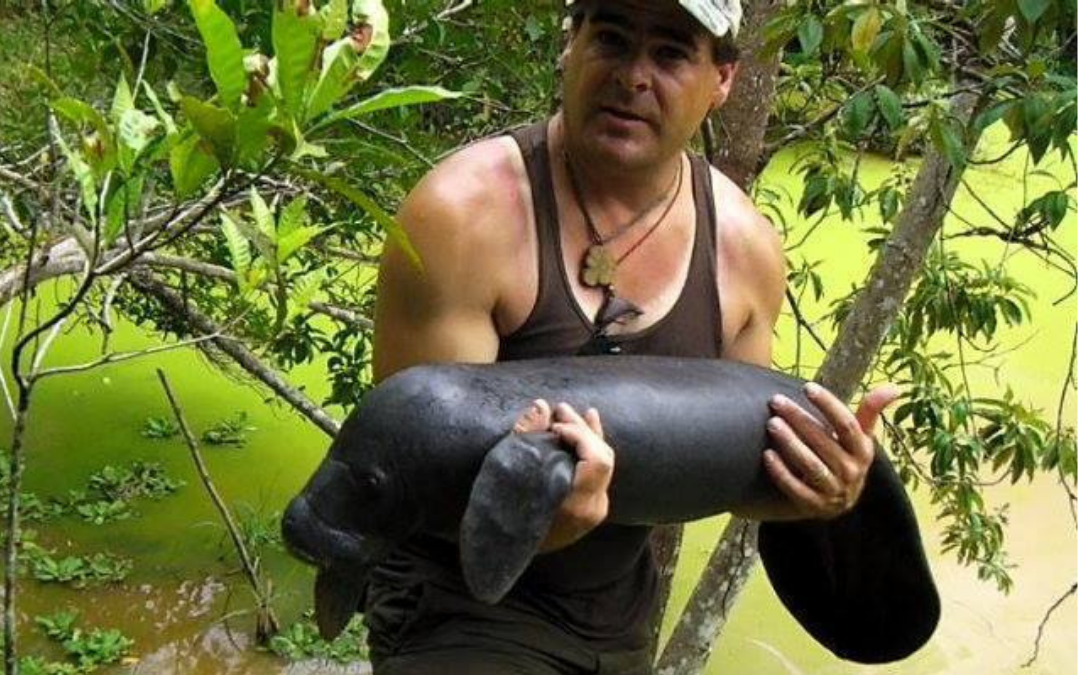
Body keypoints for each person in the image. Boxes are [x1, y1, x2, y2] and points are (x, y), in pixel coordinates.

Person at [365, 1, 900, 673]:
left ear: (723, 79)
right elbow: (409, 481)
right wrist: (537, 524)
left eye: (671, 54)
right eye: (612, 39)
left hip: (616, 617)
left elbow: (729, 475)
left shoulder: (745, 250)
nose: (633, 77)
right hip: (454, 602)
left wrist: (817, 486)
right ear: (571, 45)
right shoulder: (463, 215)